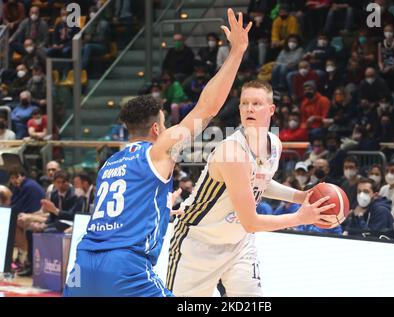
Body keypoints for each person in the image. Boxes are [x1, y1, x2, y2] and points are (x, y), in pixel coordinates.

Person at [64, 9, 253, 297]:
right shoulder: (158, 149)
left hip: (84, 262)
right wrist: (237, 52)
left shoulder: (109, 164)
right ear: (156, 128)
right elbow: (207, 108)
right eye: (165, 122)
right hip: (124, 266)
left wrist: (163, 205)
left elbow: (120, 210)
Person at [166, 80, 336, 297]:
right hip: (198, 242)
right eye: (245, 103)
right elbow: (251, 222)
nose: (249, 108)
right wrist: (301, 218)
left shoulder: (274, 144)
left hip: (239, 243)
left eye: (257, 103)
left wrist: (300, 197)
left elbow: (259, 183)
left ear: (271, 110)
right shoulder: (232, 153)